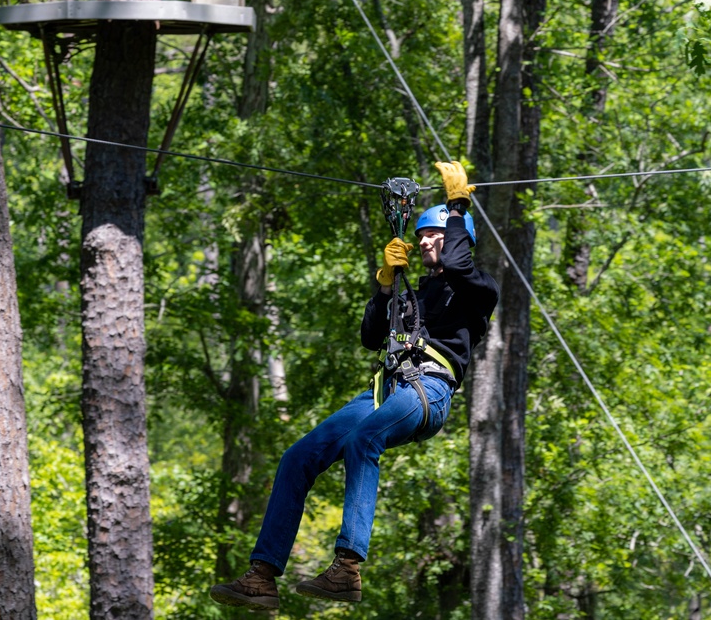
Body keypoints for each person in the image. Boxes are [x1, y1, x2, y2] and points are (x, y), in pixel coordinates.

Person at [209, 161, 500, 611]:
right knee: (298, 457)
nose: (424, 240)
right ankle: (262, 577)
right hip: (387, 388)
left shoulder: (478, 289)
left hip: (429, 391)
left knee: (365, 439)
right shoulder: (417, 293)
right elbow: (371, 337)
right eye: (421, 234)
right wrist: (385, 286)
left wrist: (458, 204)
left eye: (434, 234)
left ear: (459, 238)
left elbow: (460, 262)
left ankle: (346, 568)